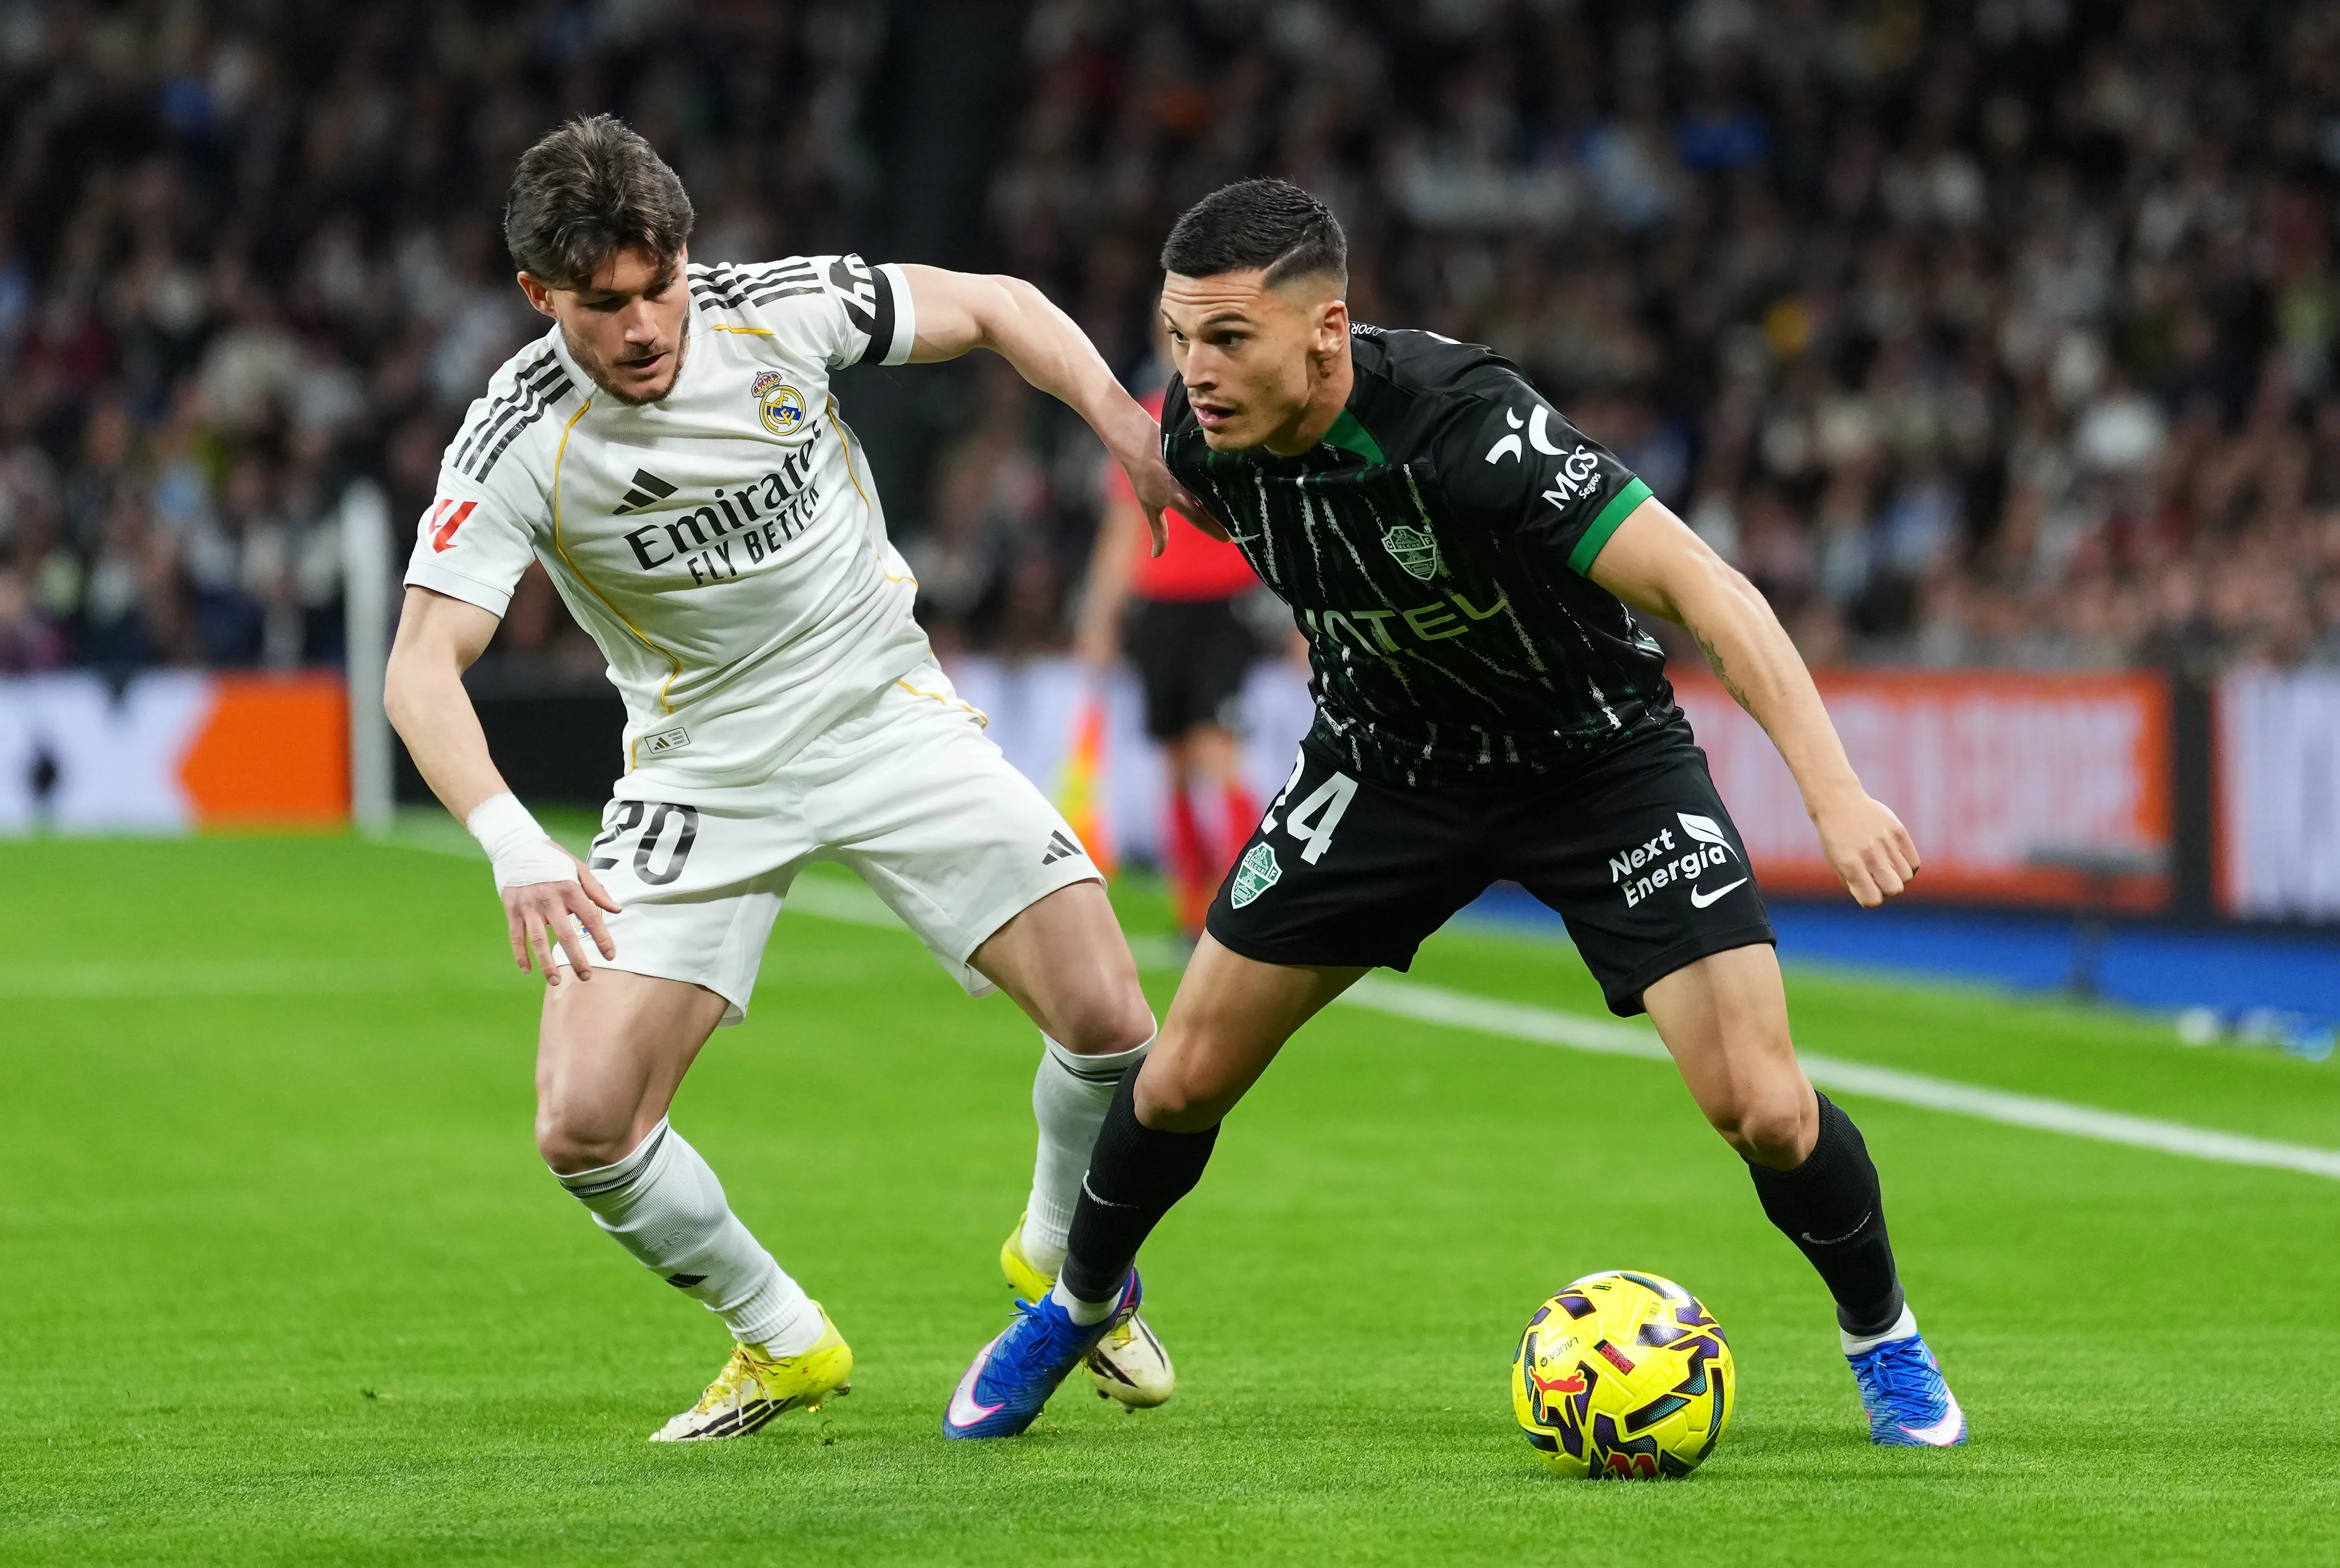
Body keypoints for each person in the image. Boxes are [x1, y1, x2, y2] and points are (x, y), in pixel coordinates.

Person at [943, 180, 1964, 1450]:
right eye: (1178, 335)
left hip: (1595, 766)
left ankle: (1883, 1336)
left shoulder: (1466, 424)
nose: (1193, 372)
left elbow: (1704, 586)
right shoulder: (1201, 440)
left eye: (1226, 338)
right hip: (1388, 765)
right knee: (1181, 1072)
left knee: (1760, 1101)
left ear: (1325, 331)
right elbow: (1191, 479)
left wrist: (1830, 785)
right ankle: (1078, 1301)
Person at [383, 116, 1210, 1442]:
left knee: (1117, 1024)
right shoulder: (513, 438)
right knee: (582, 1120)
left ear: (687, 258)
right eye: (605, 305)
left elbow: (996, 306)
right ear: (540, 297)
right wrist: (509, 838)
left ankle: (1058, 1264)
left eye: (660, 286)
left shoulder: (779, 310)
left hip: (886, 714)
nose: (646, 325)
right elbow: (421, 667)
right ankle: (780, 1338)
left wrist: (1121, 422)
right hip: (702, 769)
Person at [1074, 326, 1263, 937]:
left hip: (1221, 603)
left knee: (1215, 750)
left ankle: (1251, 904)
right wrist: (1101, 615)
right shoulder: (1146, 419)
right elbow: (1124, 524)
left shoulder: (1238, 411)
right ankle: (1193, 911)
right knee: (1177, 761)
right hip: (1159, 606)